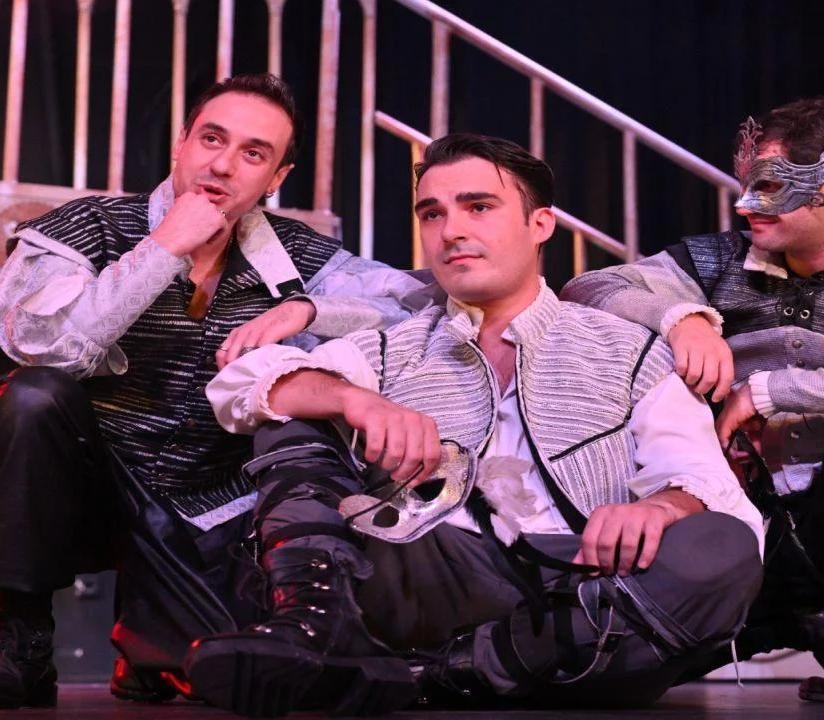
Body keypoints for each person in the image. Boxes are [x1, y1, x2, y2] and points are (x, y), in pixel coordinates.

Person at [191, 133, 764, 718]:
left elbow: (706, 482)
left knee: (724, 547)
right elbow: (239, 384)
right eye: (432, 213)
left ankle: (425, 676)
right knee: (291, 408)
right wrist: (354, 401)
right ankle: (314, 622)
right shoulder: (394, 346)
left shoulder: (629, 349)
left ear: (540, 224)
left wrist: (663, 507)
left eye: (479, 207)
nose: (451, 230)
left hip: (585, 590)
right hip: (433, 571)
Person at [0, 73, 428, 710]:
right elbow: (43, 344)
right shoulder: (85, 227)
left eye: (254, 153)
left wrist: (310, 309)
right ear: (181, 144)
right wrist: (165, 246)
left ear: (276, 177)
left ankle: (150, 649)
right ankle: (21, 642)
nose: (222, 165)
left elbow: (419, 303)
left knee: (214, 672)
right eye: (212, 140)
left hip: (209, 508)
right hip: (80, 488)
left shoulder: (302, 257)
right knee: (30, 398)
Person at [561, 97, 824, 707]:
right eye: (745, 185)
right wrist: (683, 318)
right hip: (755, 518)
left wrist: (767, 392)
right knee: (609, 675)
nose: (744, 204)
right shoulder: (717, 258)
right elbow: (587, 286)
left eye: (767, 187)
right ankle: (807, 614)